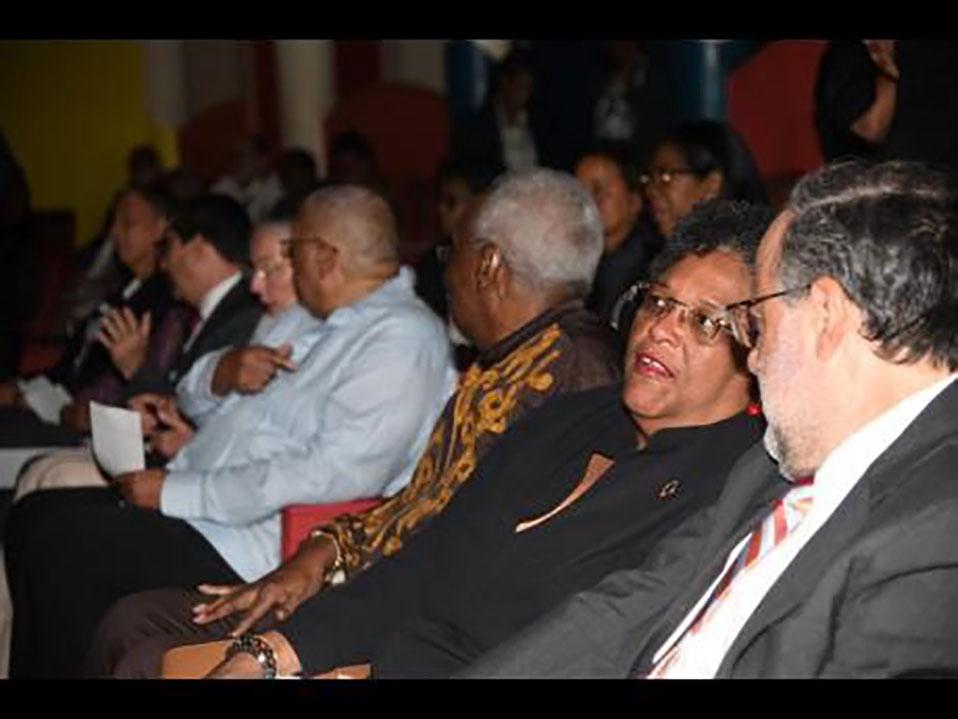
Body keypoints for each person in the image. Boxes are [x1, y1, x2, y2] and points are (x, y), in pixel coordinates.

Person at [132, 198, 771, 680]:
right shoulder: (571, 418)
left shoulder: (739, 481)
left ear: (758, 350)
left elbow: (597, 642)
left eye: (705, 323)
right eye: (659, 302)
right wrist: (267, 655)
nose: (662, 329)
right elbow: (426, 560)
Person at [85, 167, 624, 677]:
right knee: (131, 621)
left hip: (414, 618)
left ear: (486, 266)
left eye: (449, 254)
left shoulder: (574, 376)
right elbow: (423, 501)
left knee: (147, 651)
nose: (445, 275)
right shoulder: (506, 360)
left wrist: (327, 598)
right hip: (364, 580)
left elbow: (480, 558)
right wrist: (322, 552)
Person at [464, 160, 958, 679]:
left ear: (826, 317)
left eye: (758, 326)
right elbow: (619, 612)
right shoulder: (767, 469)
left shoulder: (935, 530)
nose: (753, 359)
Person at [5, 183, 461, 679]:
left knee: (60, 545)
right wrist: (224, 372)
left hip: (253, 541)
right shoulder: (313, 319)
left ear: (327, 257)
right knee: (35, 517)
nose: (287, 261)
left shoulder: (401, 339)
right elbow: (195, 392)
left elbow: (328, 475)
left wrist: (176, 492)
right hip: (204, 503)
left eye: (295, 249)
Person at [0, 185, 181, 445]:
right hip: (60, 397)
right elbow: (70, 365)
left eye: (127, 223)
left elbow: (124, 382)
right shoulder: (121, 291)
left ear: (162, 228)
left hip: (91, 418)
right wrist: (24, 388)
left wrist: (42, 403)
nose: (114, 233)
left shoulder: (164, 301)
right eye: (114, 222)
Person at [575, 142, 661, 326]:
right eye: (578, 192)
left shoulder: (657, 271)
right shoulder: (571, 264)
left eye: (598, 190)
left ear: (635, 200)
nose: (586, 202)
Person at [641, 120, 767, 241]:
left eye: (666, 177)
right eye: (648, 178)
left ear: (712, 184)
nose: (650, 190)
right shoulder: (658, 253)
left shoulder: (743, 254)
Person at [452, 52, 543, 174]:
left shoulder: (537, 122)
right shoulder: (479, 126)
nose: (524, 97)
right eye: (520, 87)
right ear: (505, 82)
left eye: (528, 89)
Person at [212, 135, 283, 223]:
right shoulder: (225, 186)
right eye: (233, 156)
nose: (236, 162)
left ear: (262, 159)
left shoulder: (278, 187)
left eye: (242, 156)